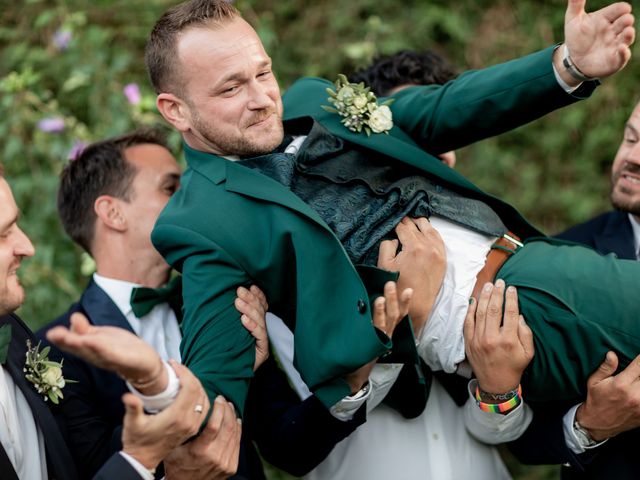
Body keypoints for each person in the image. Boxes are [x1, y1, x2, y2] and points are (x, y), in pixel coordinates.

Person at [146, 0, 637, 418]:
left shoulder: (313, 100)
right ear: (176, 110)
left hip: (535, 266)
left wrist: (569, 64)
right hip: (498, 329)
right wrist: (170, 406)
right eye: (232, 88)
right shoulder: (199, 221)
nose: (262, 100)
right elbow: (213, 381)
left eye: (264, 72)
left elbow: (441, 109)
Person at [0, 165, 223, 480]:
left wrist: (156, 386)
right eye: (3, 234)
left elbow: (78, 455)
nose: (27, 247)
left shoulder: (14, 335)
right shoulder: (60, 343)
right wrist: (139, 460)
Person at [549, 101, 640, 478]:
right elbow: (519, 434)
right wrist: (586, 426)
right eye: (631, 138)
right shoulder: (564, 258)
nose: (633, 158)